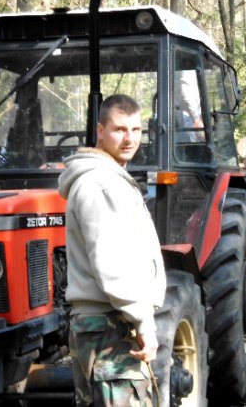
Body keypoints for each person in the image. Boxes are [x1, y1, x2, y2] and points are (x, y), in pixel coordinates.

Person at [58, 94, 166, 406]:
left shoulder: (109, 179)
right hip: (110, 325)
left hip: (106, 324)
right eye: (119, 129)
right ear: (100, 131)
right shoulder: (100, 184)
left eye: (136, 130)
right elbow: (113, 262)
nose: (129, 138)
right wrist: (144, 321)